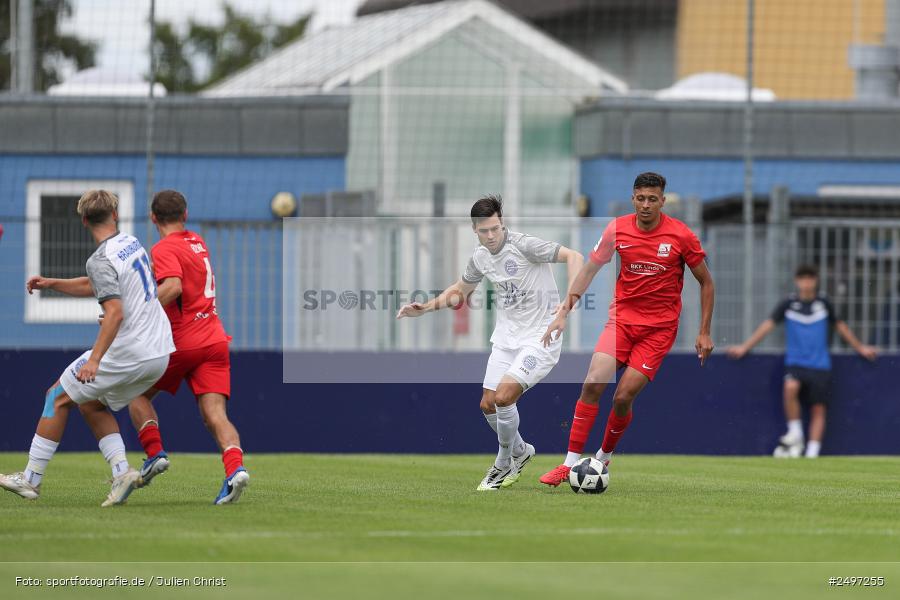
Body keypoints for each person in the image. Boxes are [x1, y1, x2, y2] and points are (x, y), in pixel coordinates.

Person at [539, 172, 715, 486]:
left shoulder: (681, 236)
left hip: (658, 330)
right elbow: (590, 269)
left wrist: (704, 331)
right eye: (640, 198)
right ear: (633, 198)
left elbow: (706, 282)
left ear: (663, 200)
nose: (646, 205)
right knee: (593, 382)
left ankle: (603, 456)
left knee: (622, 397)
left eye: (653, 199)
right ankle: (567, 464)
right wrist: (564, 310)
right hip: (621, 320)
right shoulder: (617, 228)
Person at [396, 195, 584, 490]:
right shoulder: (480, 257)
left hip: (541, 337)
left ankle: (503, 461)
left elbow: (575, 257)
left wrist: (565, 309)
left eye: (496, 228)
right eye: (485, 231)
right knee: (487, 404)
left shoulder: (523, 245)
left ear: (502, 223)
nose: (492, 235)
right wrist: (424, 308)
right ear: (475, 230)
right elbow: (460, 290)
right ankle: (521, 451)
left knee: (504, 396)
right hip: (506, 338)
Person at [1, 190, 174, 506]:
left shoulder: (101, 259)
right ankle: (122, 472)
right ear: (115, 214)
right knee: (90, 403)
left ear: (83, 221)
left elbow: (115, 312)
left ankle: (30, 479)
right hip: (160, 351)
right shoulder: (133, 244)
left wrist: (94, 359)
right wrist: (53, 283)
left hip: (131, 350)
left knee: (55, 397)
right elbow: (99, 284)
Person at [127, 190, 249, 504]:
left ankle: (155, 454)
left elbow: (174, 286)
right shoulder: (198, 242)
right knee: (216, 415)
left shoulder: (163, 247)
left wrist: (136, 310)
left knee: (135, 394)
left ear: (153, 218)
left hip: (182, 342)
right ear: (186, 214)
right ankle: (235, 470)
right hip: (215, 340)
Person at [727, 264, 877, 458]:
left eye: (810, 279)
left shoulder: (824, 303)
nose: (806, 283)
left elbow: (841, 327)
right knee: (790, 387)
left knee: (818, 409)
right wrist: (745, 347)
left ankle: (812, 454)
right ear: (797, 281)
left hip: (820, 365)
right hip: (796, 362)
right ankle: (796, 433)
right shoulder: (788, 304)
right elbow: (767, 325)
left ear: (816, 281)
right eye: (803, 279)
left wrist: (861, 347)